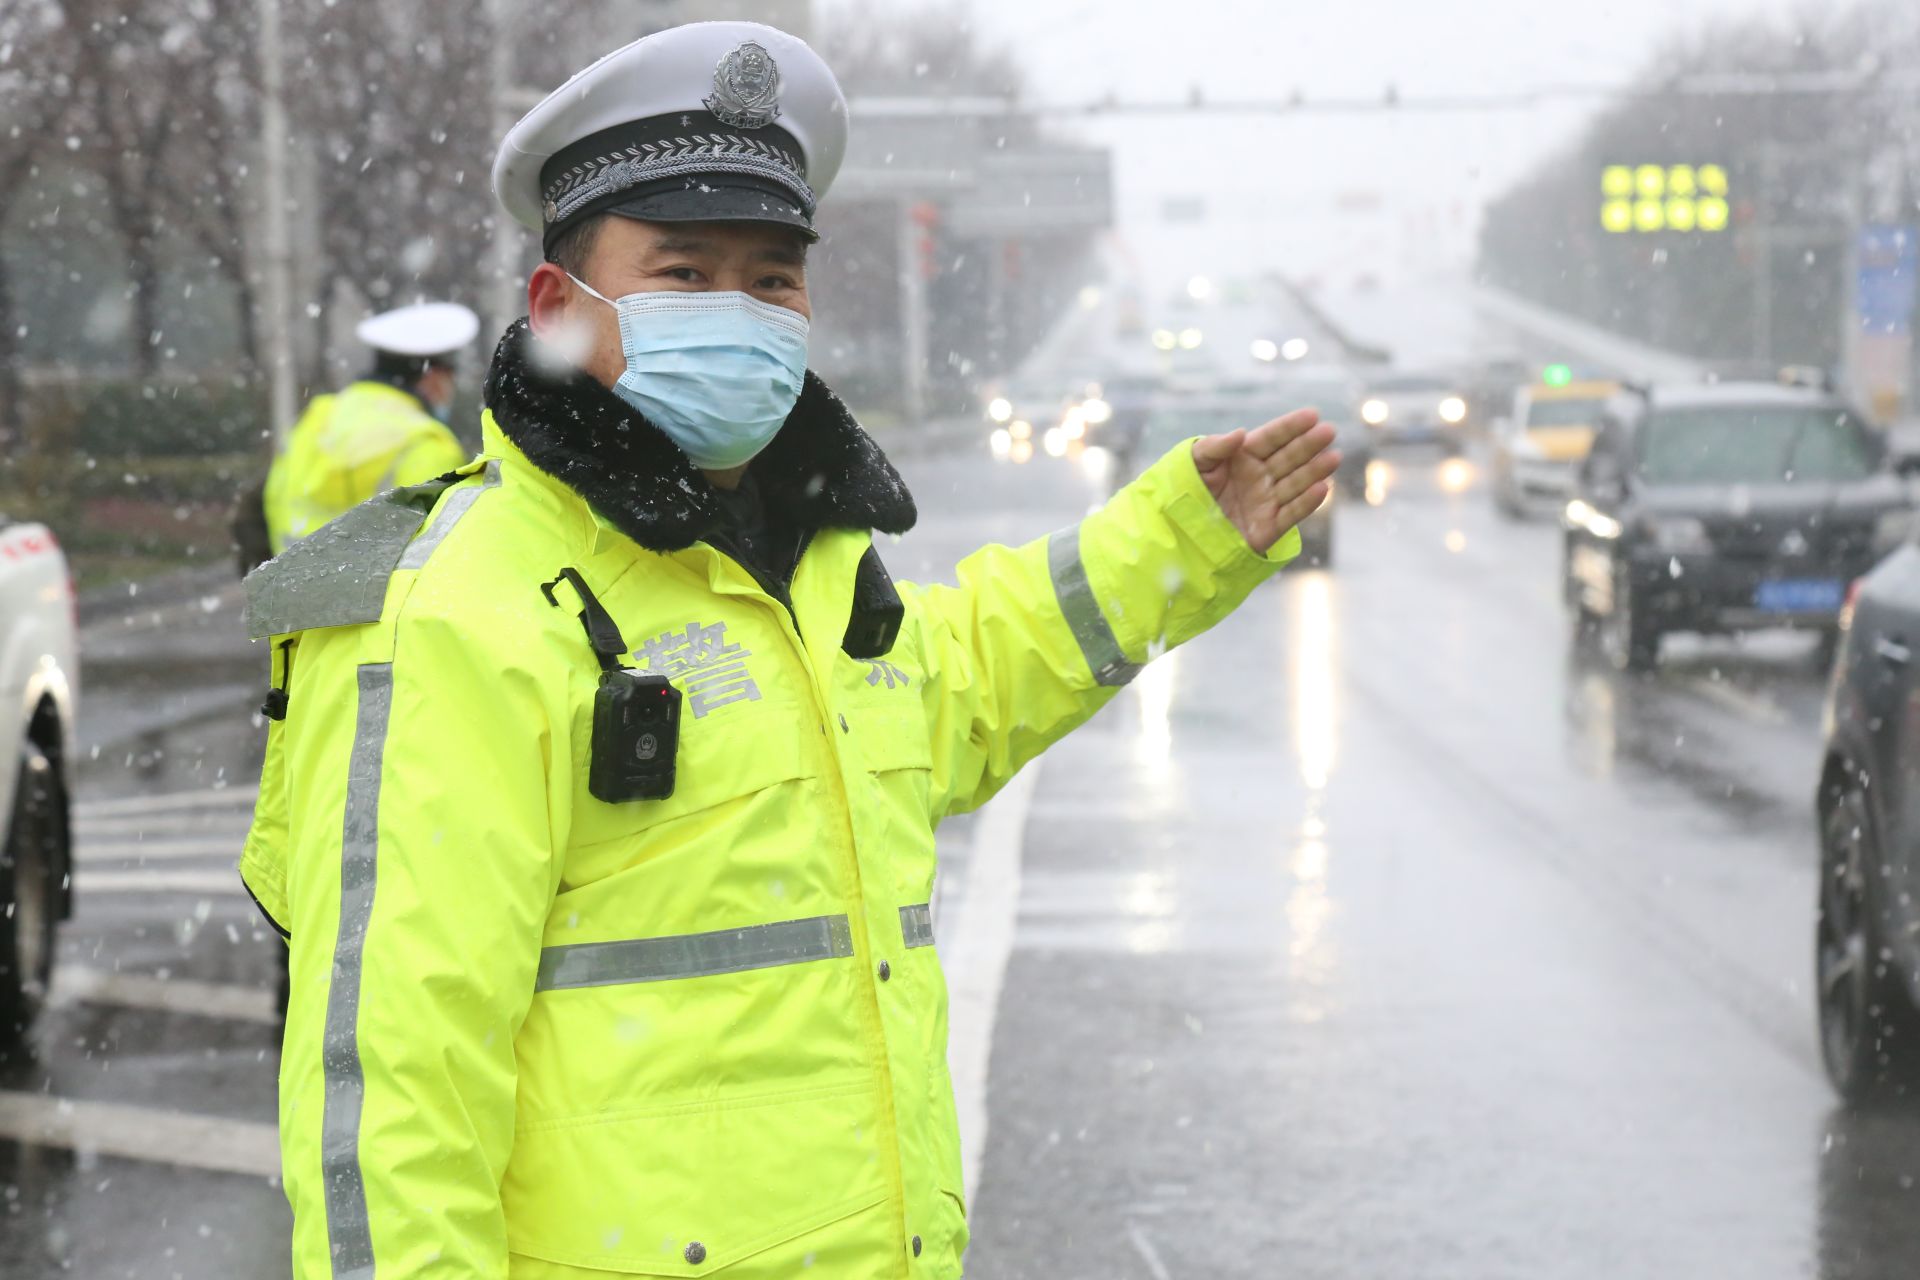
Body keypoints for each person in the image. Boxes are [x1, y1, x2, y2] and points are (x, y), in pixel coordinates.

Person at [238, 20, 1337, 1279]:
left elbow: (967, 675)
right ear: (556, 307)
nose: (739, 313)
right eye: (683, 273)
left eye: (772, 280)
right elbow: (393, 1099)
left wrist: (1182, 537)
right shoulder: (453, 615)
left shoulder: (803, 563)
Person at [257, 301, 480, 557]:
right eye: (449, 379)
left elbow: (273, 500)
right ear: (433, 377)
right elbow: (439, 548)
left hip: (294, 587)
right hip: (380, 596)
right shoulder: (426, 443)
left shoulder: (319, 418)